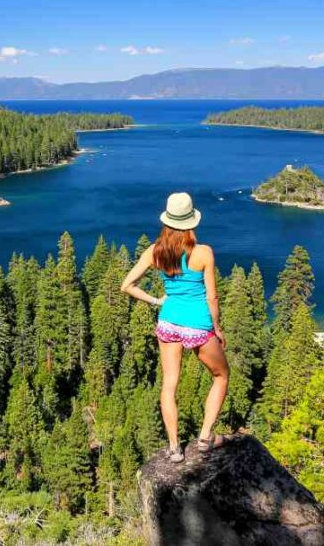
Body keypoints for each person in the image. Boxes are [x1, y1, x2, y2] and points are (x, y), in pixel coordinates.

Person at [120, 192, 230, 463]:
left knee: (169, 385)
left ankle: (173, 449)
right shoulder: (203, 252)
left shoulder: (155, 251)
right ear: (191, 222)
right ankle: (205, 438)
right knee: (221, 376)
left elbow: (126, 286)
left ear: (167, 221)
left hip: (168, 323)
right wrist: (216, 327)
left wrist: (157, 300)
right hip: (198, 325)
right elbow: (212, 297)